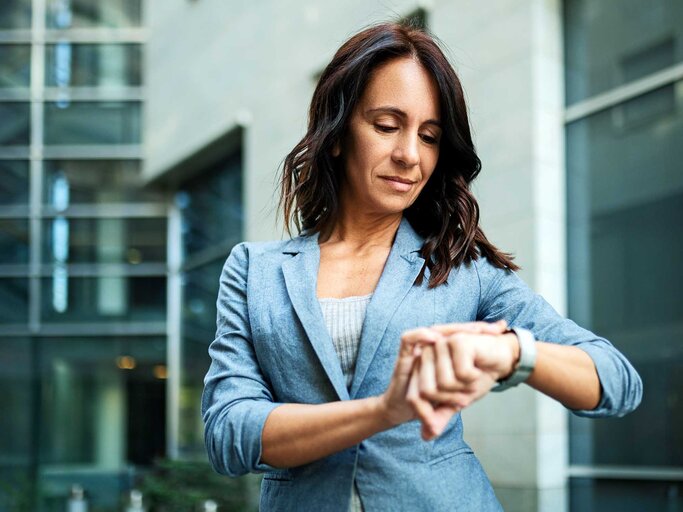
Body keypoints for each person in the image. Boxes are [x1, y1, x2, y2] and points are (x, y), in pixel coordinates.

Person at [202, 22, 642, 511]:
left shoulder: (460, 266)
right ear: (336, 135)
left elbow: (616, 381)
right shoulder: (255, 270)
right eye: (387, 126)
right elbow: (228, 433)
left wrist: (512, 352)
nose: (409, 155)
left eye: (429, 136)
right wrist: (383, 411)